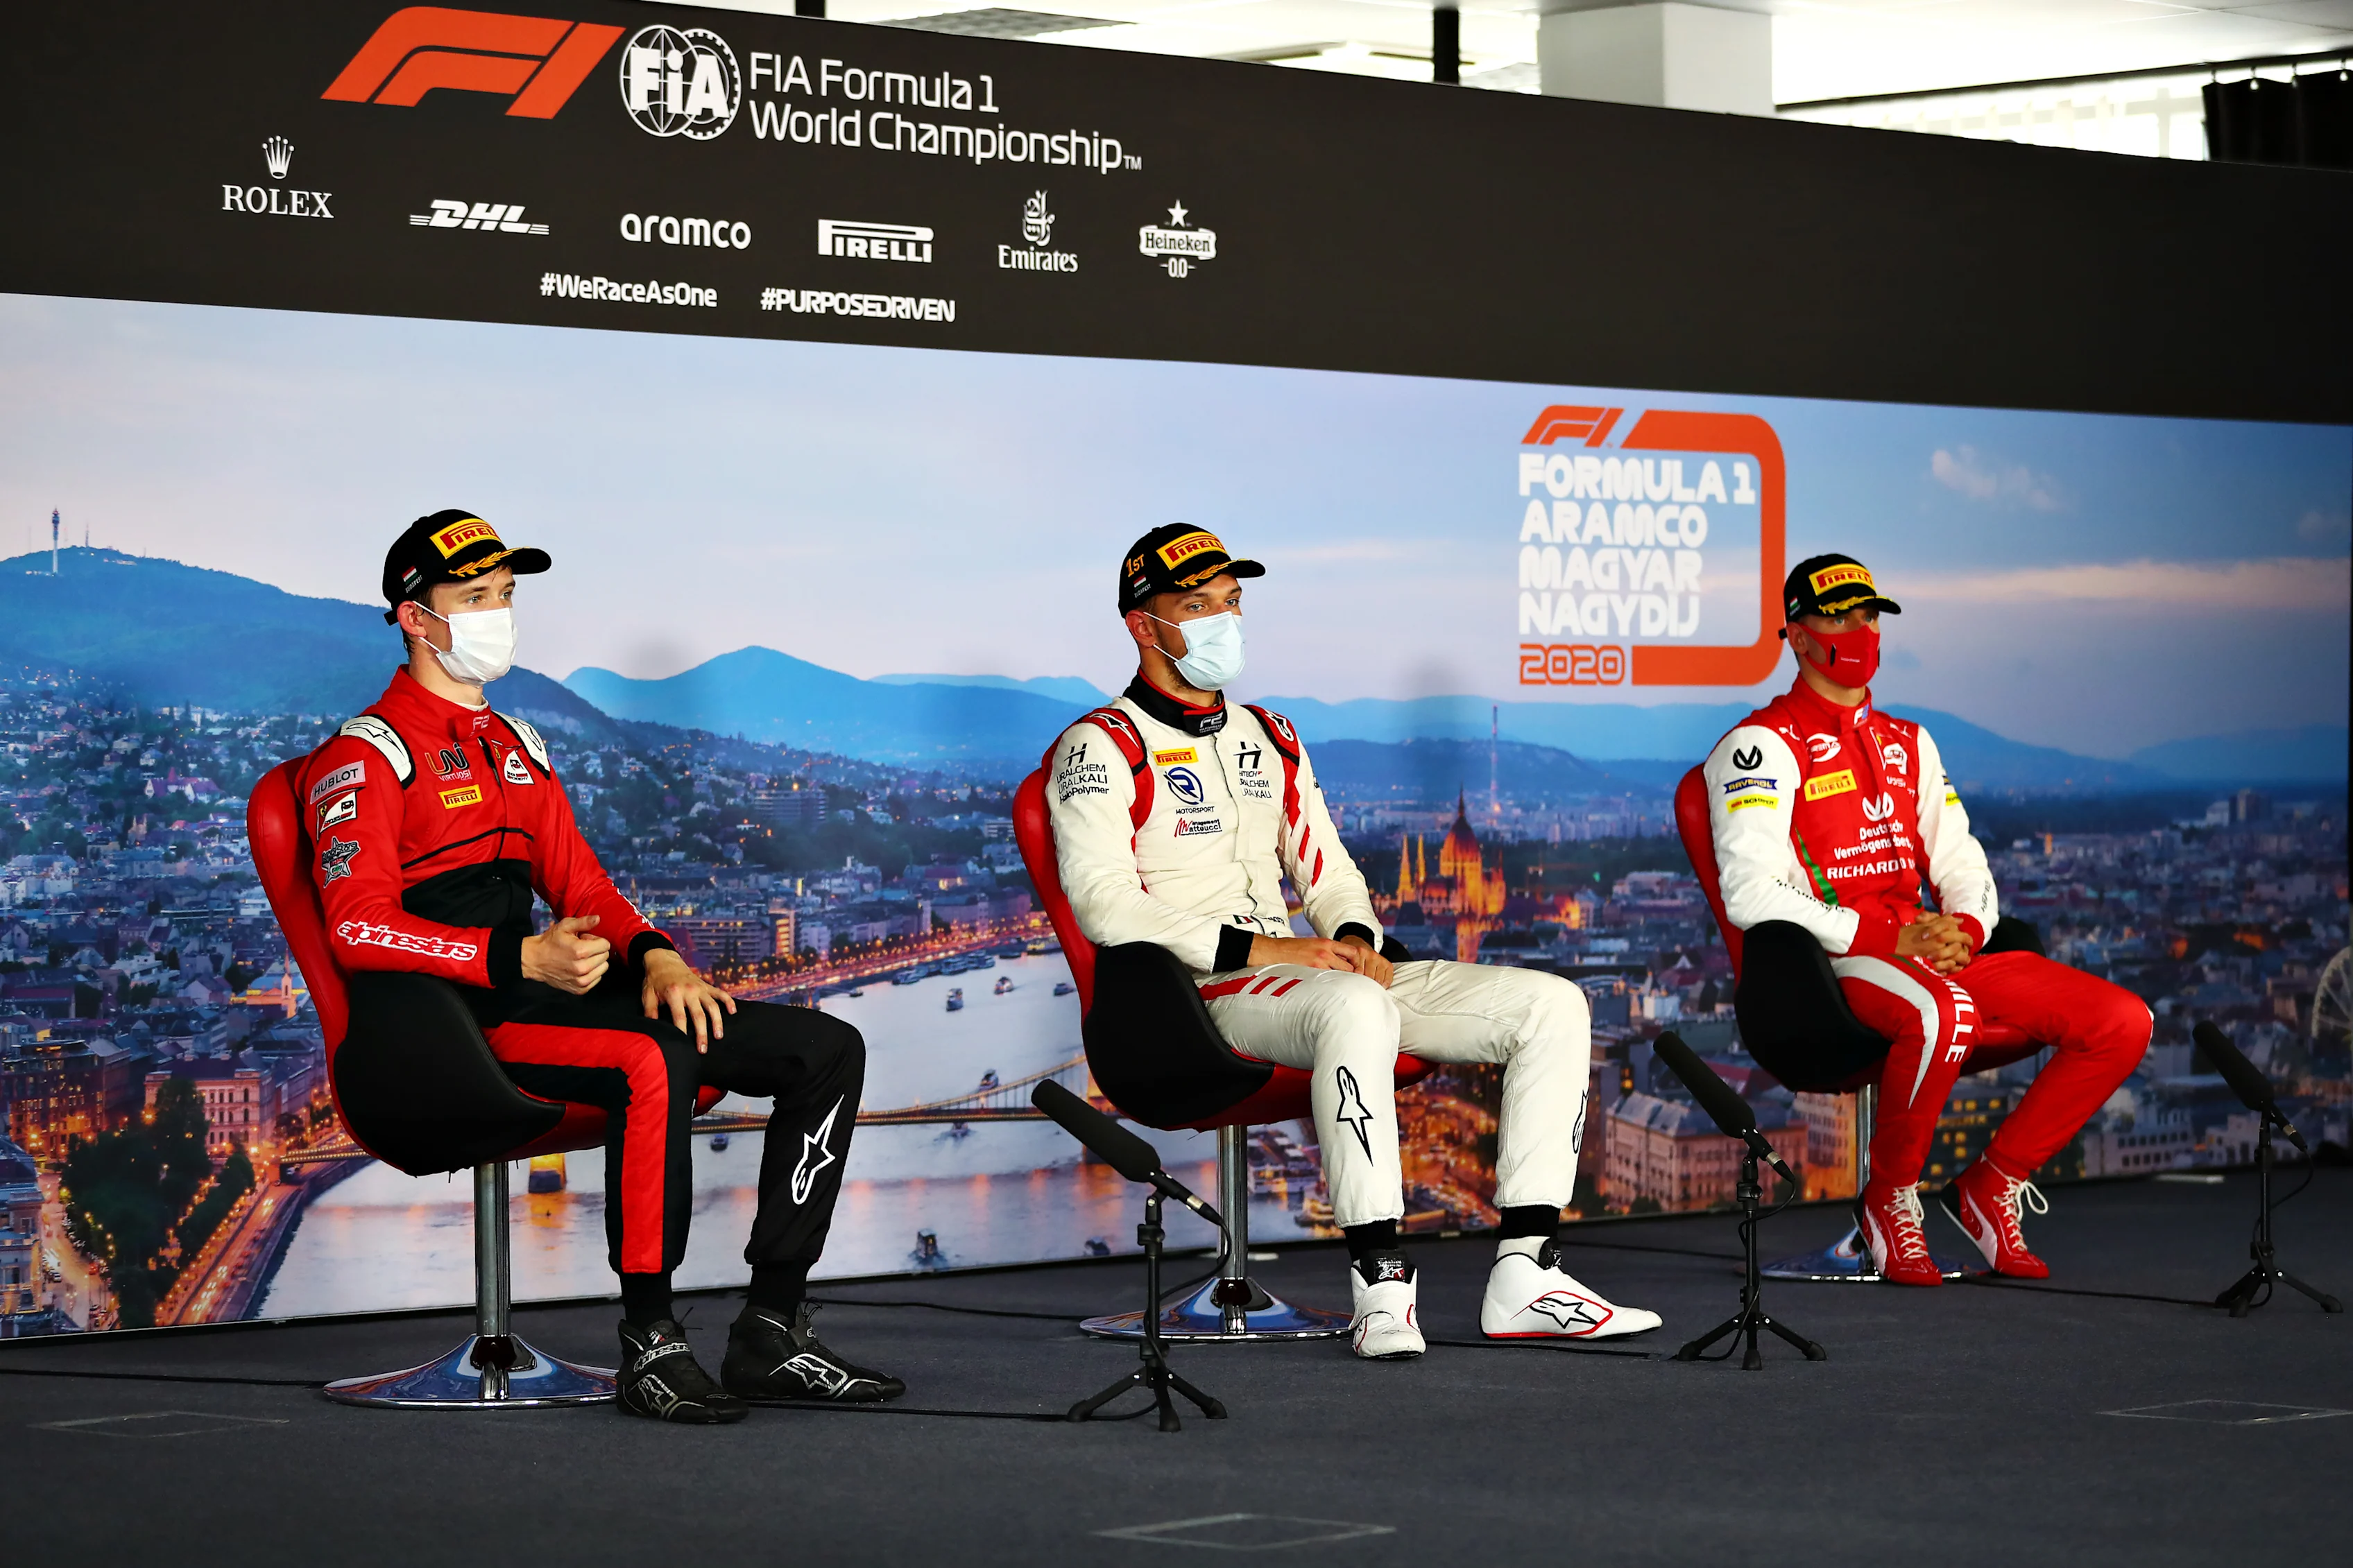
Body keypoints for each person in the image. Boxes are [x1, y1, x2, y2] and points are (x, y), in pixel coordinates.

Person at [296, 510, 902, 1422]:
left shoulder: (516, 747)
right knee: (649, 1061)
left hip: (540, 991)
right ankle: (651, 1344)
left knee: (826, 1050)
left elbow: (583, 881)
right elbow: (358, 929)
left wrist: (657, 957)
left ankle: (772, 1326)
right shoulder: (365, 755)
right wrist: (516, 953)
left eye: (504, 596)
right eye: (474, 598)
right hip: (447, 1028)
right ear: (416, 619)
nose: (499, 616)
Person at [1045, 525, 1660, 1359]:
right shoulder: (1100, 747)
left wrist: (1349, 933)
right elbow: (1107, 910)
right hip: (1195, 995)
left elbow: (1328, 870)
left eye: (1230, 603)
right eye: (1197, 606)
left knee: (1550, 1004)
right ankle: (1379, 1285)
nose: (1223, 621)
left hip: (1310, 978)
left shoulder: (1270, 736)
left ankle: (1528, 1273)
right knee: (1354, 1008)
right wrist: (1276, 953)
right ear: (1142, 626)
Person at [1701, 553, 2150, 1285]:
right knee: (1942, 1010)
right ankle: (1888, 1199)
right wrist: (1884, 935)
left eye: (1867, 614)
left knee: (2121, 1020)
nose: (1857, 629)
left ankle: (1991, 1182)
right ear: (1794, 634)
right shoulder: (1758, 746)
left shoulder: (1911, 742)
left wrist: (1965, 928)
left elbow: (1962, 862)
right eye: (1836, 615)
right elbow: (1749, 894)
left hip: (1929, 948)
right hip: (1833, 961)